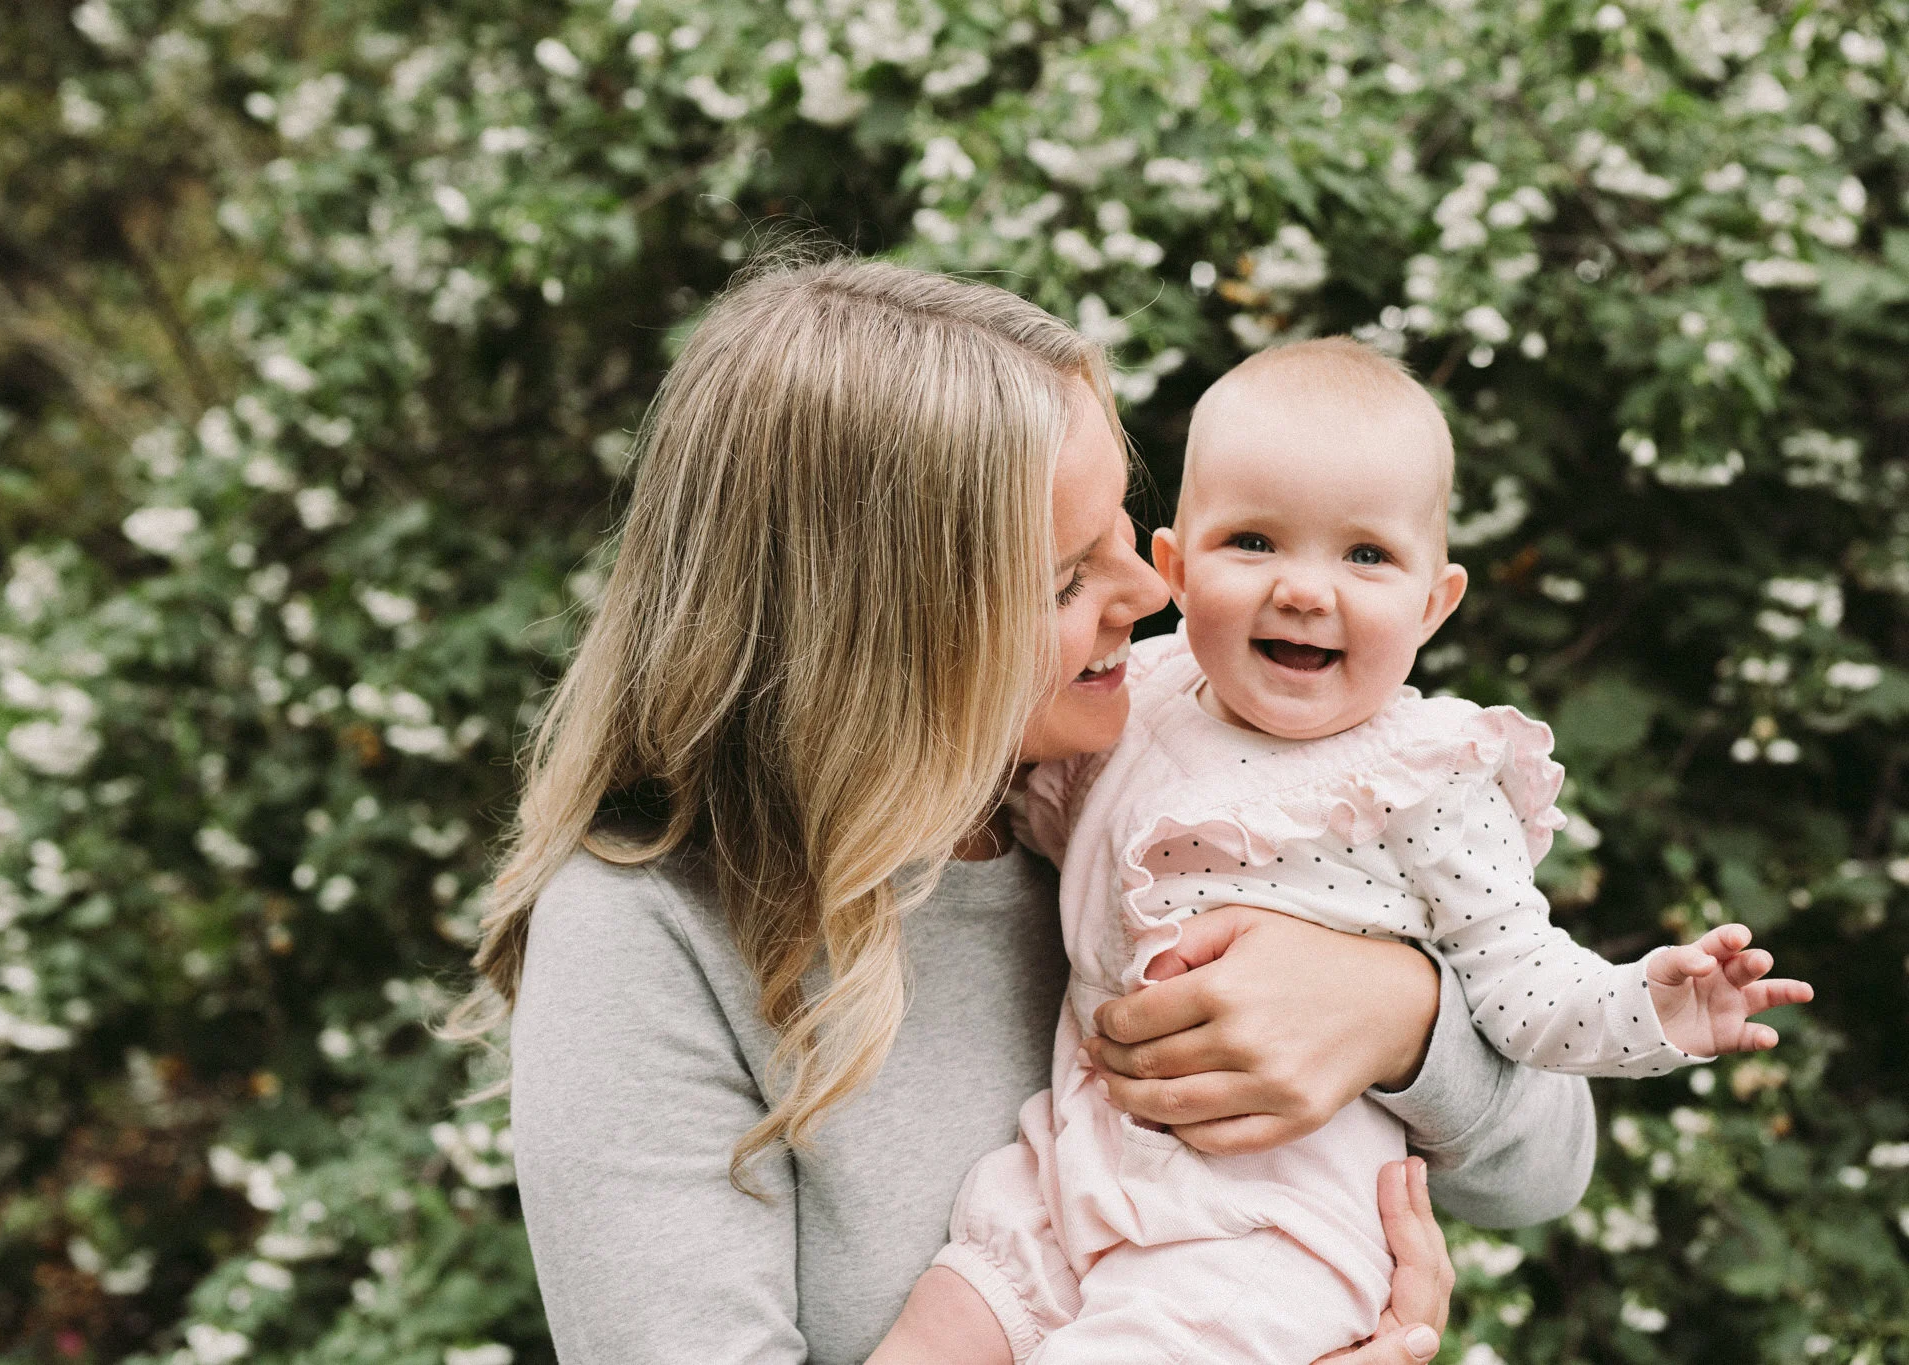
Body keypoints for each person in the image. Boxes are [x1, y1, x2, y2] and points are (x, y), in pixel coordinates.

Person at [454, 259, 1601, 1365]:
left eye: (1123, 526)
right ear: (881, 630)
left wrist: (1399, 1017)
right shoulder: (649, 933)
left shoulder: (1122, 787)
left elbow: (1542, 1165)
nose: (1150, 593)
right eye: (1064, 579)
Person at [879, 337, 1814, 1364]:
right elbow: (1025, 818)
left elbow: (1524, 984)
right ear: (1176, 570)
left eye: (1363, 556)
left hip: (1260, 1223)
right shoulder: (1130, 708)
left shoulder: (1426, 782)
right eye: (1252, 542)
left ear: (1432, 602)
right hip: (1070, 1164)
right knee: (945, 1320)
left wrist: (1653, 1005)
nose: (1303, 590)